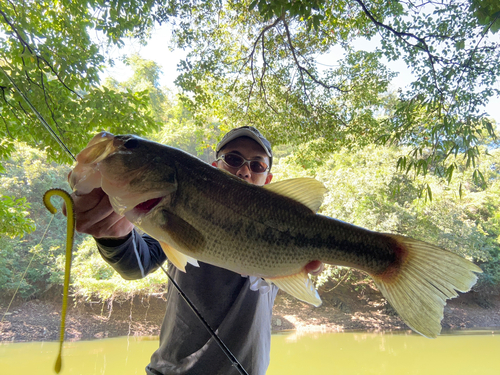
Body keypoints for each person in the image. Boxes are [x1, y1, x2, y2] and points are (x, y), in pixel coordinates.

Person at [70, 126, 323, 375]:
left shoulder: (287, 230)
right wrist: (114, 235)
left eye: (256, 165)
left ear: (267, 179)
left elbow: (306, 270)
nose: (244, 170)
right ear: (215, 167)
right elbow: (137, 264)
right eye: (233, 159)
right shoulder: (178, 209)